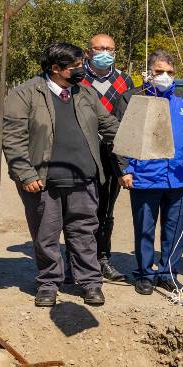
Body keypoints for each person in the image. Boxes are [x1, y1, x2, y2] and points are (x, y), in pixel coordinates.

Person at [2, 42, 123, 308]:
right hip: (43, 181)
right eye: (76, 66)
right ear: (56, 69)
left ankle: (90, 283)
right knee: (46, 236)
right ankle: (48, 283)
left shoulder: (85, 93)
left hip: (84, 179)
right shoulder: (25, 94)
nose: (83, 70)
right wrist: (25, 173)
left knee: (84, 234)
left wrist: (140, 142)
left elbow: (110, 126)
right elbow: (13, 139)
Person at [118, 50, 183, 296]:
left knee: (174, 229)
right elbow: (120, 136)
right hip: (143, 177)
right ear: (148, 73)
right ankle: (145, 273)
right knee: (145, 227)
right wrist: (124, 169)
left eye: (170, 72)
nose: (165, 76)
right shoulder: (133, 98)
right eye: (159, 71)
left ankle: (168, 273)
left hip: (177, 177)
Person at [80, 33, 134, 282]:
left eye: (109, 49)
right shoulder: (77, 78)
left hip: (112, 153)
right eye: (99, 48)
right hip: (82, 151)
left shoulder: (124, 80)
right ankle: (78, 259)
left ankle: (102, 257)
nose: (105, 52)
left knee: (106, 209)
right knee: (80, 209)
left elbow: (130, 117)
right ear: (88, 52)